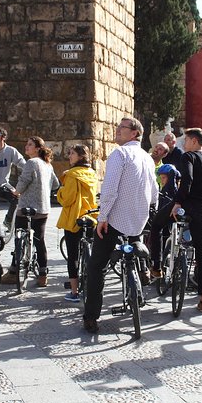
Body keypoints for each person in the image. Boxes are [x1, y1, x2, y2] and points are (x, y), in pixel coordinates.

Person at [83, 117, 158, 333]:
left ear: (134, 133)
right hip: (139, 220)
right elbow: (154, 193)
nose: (117, 130)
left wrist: (102, 217)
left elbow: (109, 190)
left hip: (115, 220)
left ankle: (91, 317)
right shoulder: (147, 157)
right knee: (134, 247)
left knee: (97, 267)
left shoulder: (120, 154)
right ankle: (141, 271)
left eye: (121, 127)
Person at [152, 128, 202, 313]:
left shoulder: (188, 157)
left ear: (195, 141)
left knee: (157, 225)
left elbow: (187, 181)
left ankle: (157, 267)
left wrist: (178, 202)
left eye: (187, 140)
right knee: (201, 254)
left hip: (186, 204)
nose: (185, 143)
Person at [1, 136, 59, 287]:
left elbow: (23, 182)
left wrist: (16, 191)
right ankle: (42, 275)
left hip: (26, 207)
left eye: (30, 145)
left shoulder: (31, 163)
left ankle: (13, 272)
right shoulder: (48, 165)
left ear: (37, 149)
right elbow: (55, 184)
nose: (26, 147)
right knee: (40, 240)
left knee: (19, 238)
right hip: (43, 208)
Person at [56, 144, 99, 302]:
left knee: (73, 256)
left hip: (74, 218)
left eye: (72, 153)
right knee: (91, 254)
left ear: (80, 157)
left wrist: (61, 189)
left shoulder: (72, 175)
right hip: (91, 217)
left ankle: (74, 292)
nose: (69, 156)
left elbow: (67, 199)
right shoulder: (92, 173)